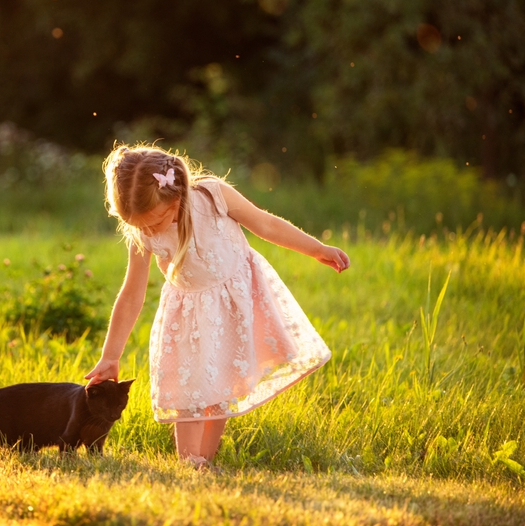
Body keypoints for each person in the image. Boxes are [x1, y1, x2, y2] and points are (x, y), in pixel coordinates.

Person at [84, 144, 350, 469]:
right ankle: (189, 462)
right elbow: (131, 295)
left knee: (222, 384)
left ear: (176, 199)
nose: (148, 232)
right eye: (140, 226)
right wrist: (111, 356)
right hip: (189, 316)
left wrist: (316, 248)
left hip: (233, 304)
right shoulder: (142, 235)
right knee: (191, 389)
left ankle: (205, 462)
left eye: (154, 222)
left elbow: (265, 224)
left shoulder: (212, 196)